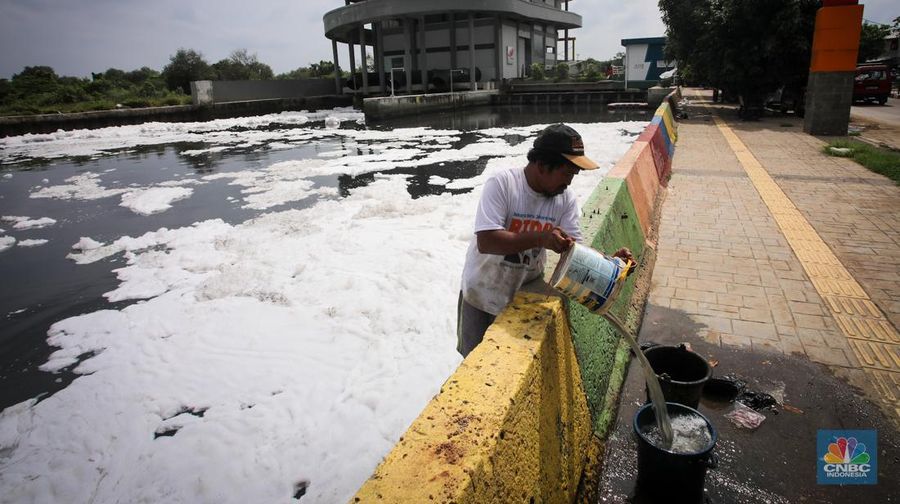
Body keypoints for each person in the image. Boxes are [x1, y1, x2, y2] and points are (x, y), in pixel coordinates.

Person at [457, 123, 634, 357]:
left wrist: (612, 267)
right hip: (481, 293)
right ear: (541, 165)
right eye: (566, 173)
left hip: (522, 294)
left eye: (573, 175)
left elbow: (575, 253)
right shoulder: (503, 185)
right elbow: (487, 241)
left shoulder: (565, 199)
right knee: (473, 360)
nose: (569, 182)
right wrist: (541, 238)